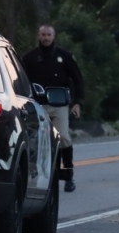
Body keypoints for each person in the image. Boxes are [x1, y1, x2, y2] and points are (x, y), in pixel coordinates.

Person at [21, 24, 85, 192]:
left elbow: (78, 79)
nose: (46, 38)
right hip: (37, 106)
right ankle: (32, 173)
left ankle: (68, 174)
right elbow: (20, 81)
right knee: (32, 140)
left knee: (63, 137)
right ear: (38, 35)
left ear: (53, 36)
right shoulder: (29, 58)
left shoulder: (65, 57)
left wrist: (77, 102)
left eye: (49, 35)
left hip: (59, 106)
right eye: (43, 34)